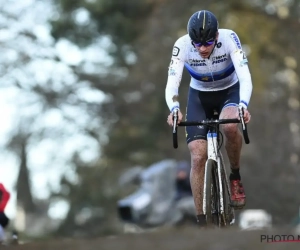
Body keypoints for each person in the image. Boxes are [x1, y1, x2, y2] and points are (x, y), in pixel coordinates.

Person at [165, 10, 253, 227]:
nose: (202, 49)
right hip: (200, 96)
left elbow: (245, 76)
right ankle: (201, 221)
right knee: (197, 156)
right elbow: (172, 82)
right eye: (197, 44)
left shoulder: (229, 37)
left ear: (216, 37)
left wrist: (243, 105)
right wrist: (174, 108)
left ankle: (234, 176)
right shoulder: (182, 45)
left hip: (229, 91)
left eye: (207, 43)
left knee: (231, 126)